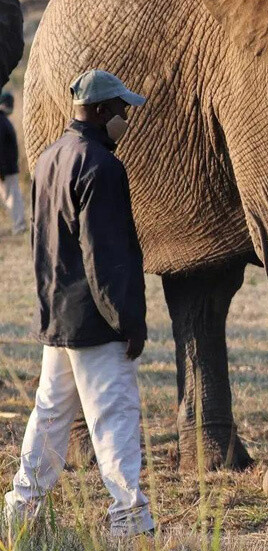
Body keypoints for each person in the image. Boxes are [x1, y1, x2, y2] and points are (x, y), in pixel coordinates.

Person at [3, 70, 153, 537]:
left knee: (49, 417)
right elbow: (104, 255)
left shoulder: (49, 157)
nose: (127, 119)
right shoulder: (102, 166)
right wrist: (127, 320)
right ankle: (130, 523)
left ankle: (20, 512)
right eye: (123, 110)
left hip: (58, 317)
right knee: (116, 418)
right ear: (104, 111)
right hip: (95, 322)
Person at [0, 91, 25, 235]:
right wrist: (2, 170)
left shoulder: (3, 120)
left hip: (7, 169)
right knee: (13, 198)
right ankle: (19, 226)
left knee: (11, 197)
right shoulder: (2, 121)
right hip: (6, 169)